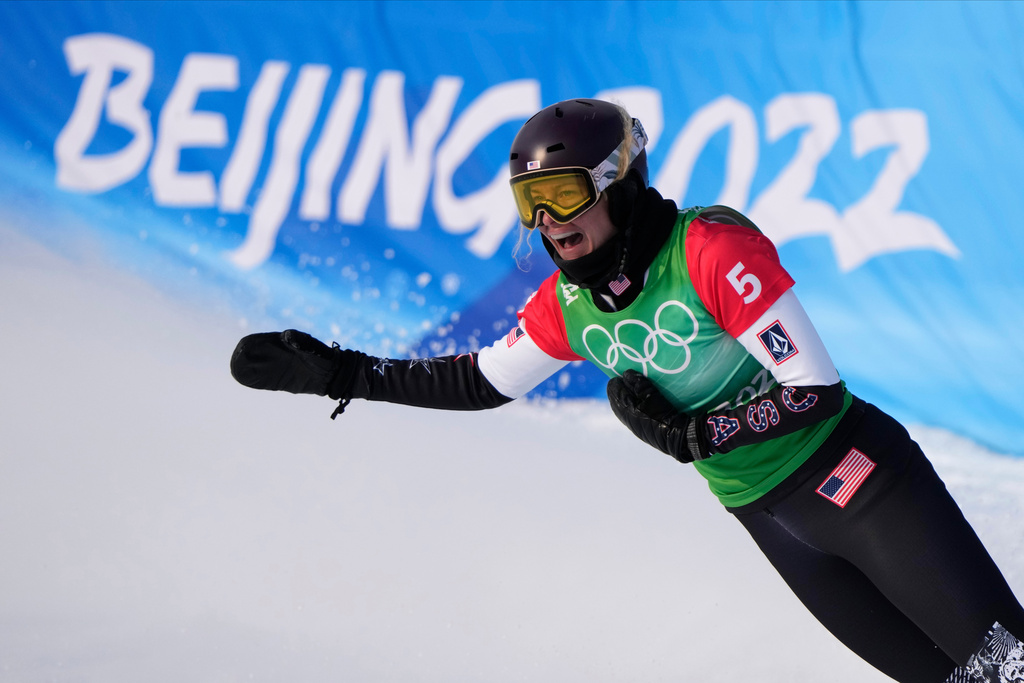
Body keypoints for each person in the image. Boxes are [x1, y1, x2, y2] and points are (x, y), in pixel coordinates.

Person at [230, 98, 1024, 683]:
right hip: (772, 518)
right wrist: (348, 373)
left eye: (564, 194)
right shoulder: (568, 307)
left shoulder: (709, 250)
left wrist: (697, 436)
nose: (548, 221)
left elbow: (814, 389)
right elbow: (480, 381)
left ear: (618, 183)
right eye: (530, 202)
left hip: (857, 479)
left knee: (1007, 666)